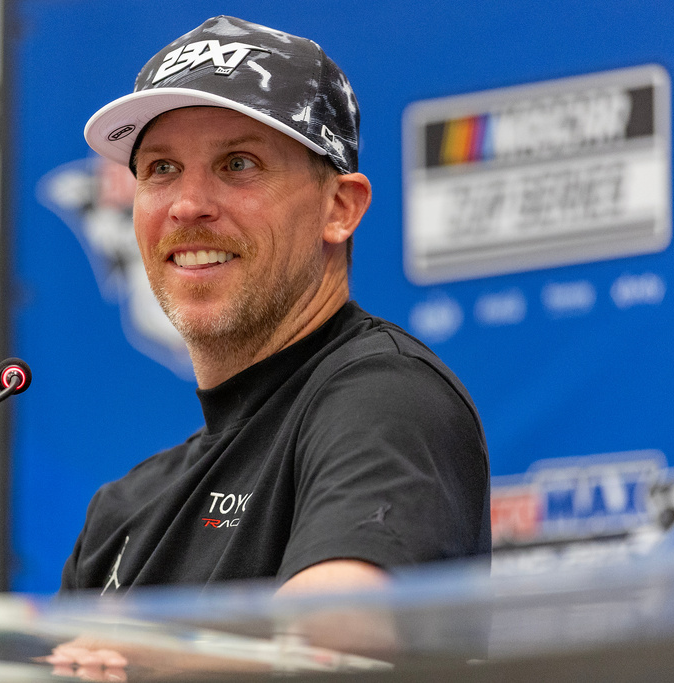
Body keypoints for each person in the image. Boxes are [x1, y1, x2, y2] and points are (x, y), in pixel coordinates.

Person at [59, 15, 489, 598]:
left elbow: (337, 628)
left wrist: (139, 652)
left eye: (238, 164)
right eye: (161, 168)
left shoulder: (387, 397)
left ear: (339, 207)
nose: (188, 206)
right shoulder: (122, 511)